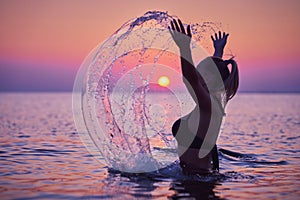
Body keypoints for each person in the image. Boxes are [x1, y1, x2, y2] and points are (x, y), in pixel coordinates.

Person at [169, 19, 239, 174]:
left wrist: (184, 48)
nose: (198, 75)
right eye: (198, 72)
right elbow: (214, 73)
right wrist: (218, 51)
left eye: (201, 73)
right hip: (193, 180)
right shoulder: (212, 103)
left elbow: (191, 80)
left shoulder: (209, 106)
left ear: (212, 81)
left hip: (197, 185)